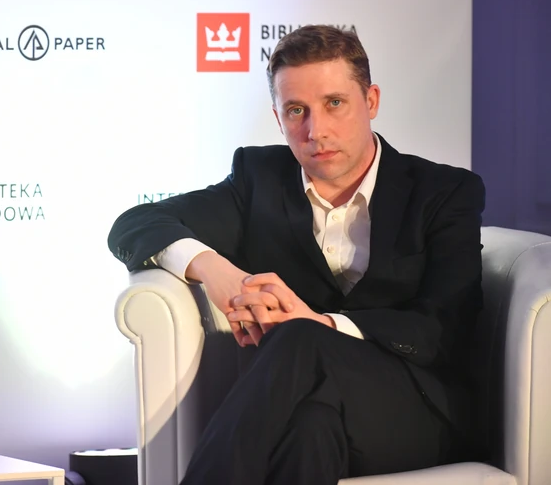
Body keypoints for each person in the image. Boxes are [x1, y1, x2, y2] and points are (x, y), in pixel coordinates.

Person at [107, 25, 486, 484]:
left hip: (415, 410)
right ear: (278, 117)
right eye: (296, 111)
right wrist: (217, 271)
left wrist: (321, 324)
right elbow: (135, 224)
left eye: (334, 103)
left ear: (371, 101)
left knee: (299, 337)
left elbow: (443, 327)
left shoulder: (443, 192)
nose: (315, 131)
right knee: (310, 431)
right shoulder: (260, 179)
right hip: (306, 407)